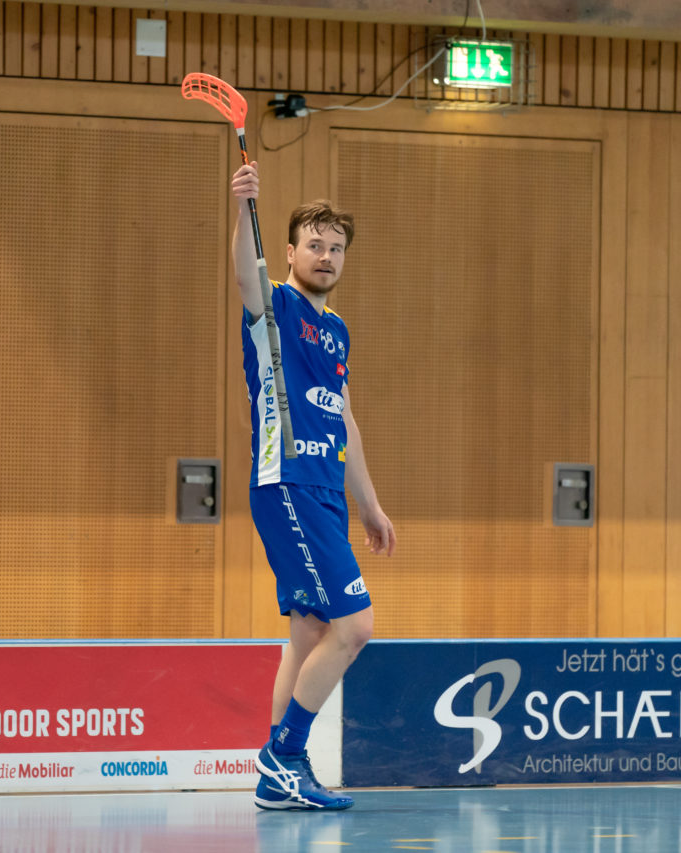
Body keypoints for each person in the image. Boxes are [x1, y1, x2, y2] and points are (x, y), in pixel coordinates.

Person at [230, 161, 395, 810]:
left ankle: (276, 778)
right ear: (291, 250)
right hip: (288, 479)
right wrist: (242, 208)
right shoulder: (273, 306)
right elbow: (245, 271)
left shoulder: (337, 329)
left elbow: (345, 415)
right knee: (355, 626)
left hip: (326, 488)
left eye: (336, 248)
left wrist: (371, 502)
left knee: (307, 632)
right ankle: (284, 755)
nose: (325, 256)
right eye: (314, 244)